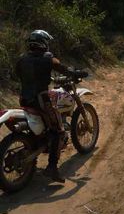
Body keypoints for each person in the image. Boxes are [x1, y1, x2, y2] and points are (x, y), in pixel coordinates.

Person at [16, 30, 83, 183]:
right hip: (40, 100)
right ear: (43, 43)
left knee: (48, 125)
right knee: (59, 131)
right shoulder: (48, 58)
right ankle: (52, 167)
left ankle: (39, 143)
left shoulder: (22, 59)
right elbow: (64, 69)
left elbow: (20, 75)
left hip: (24, 99)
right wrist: (75, 73)